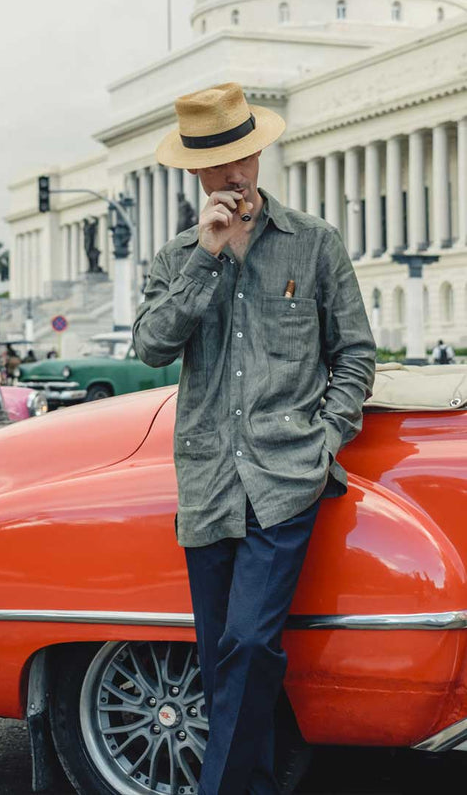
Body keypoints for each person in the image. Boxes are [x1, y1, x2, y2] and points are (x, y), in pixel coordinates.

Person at [133, 82, 376, 795]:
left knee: (248, 640)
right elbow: (150, 347)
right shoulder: (177, 257)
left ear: (260, 153)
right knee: (223, 656)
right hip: (207, 480)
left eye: (242, 156)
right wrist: (206, 256)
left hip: (286, 477)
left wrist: (324, 440)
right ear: (194, 170)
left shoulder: (314, 243)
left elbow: (356, 356)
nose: (233, 174)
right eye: (217, 163)